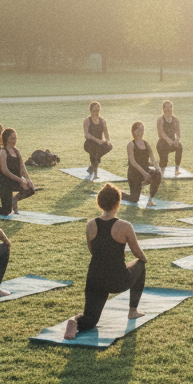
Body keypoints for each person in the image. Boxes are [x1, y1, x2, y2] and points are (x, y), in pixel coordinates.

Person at [62, 184, 149, 339]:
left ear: (99, 202)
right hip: (117, 280)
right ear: (118, 203)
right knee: (140, 265)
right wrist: (144, 259)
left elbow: (93, 251)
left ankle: (75, 321)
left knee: (90, 320)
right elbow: (137, 252)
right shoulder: (125, 226)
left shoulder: (90, 224)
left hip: (94, 278)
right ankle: (132, 311)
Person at [0, 128, 35, 216]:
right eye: (11, 138)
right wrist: (20, 180)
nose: (14, 140)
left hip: (16, 181)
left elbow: (22, 168)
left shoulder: (17, 151)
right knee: (6, 211)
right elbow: (5, 171)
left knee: (31, 189)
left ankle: (14, 200)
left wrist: (28, 179)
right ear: (6, 139)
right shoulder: (2, 152)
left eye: (15, 138)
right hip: (5, 184)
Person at [121, 122, 162, 205]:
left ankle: (150, 200)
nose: (140, 132)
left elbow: (153, 158)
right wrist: (145, 174)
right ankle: (119, 193)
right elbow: (133, 162)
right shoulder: (131, 145)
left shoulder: (146, 144)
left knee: (157, 174)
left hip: (145, 171)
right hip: (134, 174)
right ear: (133, 131)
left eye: (142, 129)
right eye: (138, 129)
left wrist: (158, 169)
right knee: (134, 199)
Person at [82, 101, 112, 178]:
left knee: (109, 146)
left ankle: (92, 167)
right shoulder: (87, 121)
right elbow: (87, 135)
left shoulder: (103, 121)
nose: (96, 112)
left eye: (98, 111)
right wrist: (97, 140)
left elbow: (106, 132)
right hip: (89, 143)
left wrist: (108, 140)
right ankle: (95, 174)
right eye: (94, 111)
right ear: (90, 111)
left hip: (99, 144)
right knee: (95, 152)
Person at [156, 100, 184, 175]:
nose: (168, 109)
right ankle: (162, 171)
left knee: (179, 147)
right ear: (163, 109)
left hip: (172, 142)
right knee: (164, 156)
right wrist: (169, 141)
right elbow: (161, 133)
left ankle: (177, 169)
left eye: (170, 107)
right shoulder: (160, 120)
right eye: (166, 107)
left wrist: (177, 140)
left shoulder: (176, 120)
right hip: (162, 143)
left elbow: (178, 132)